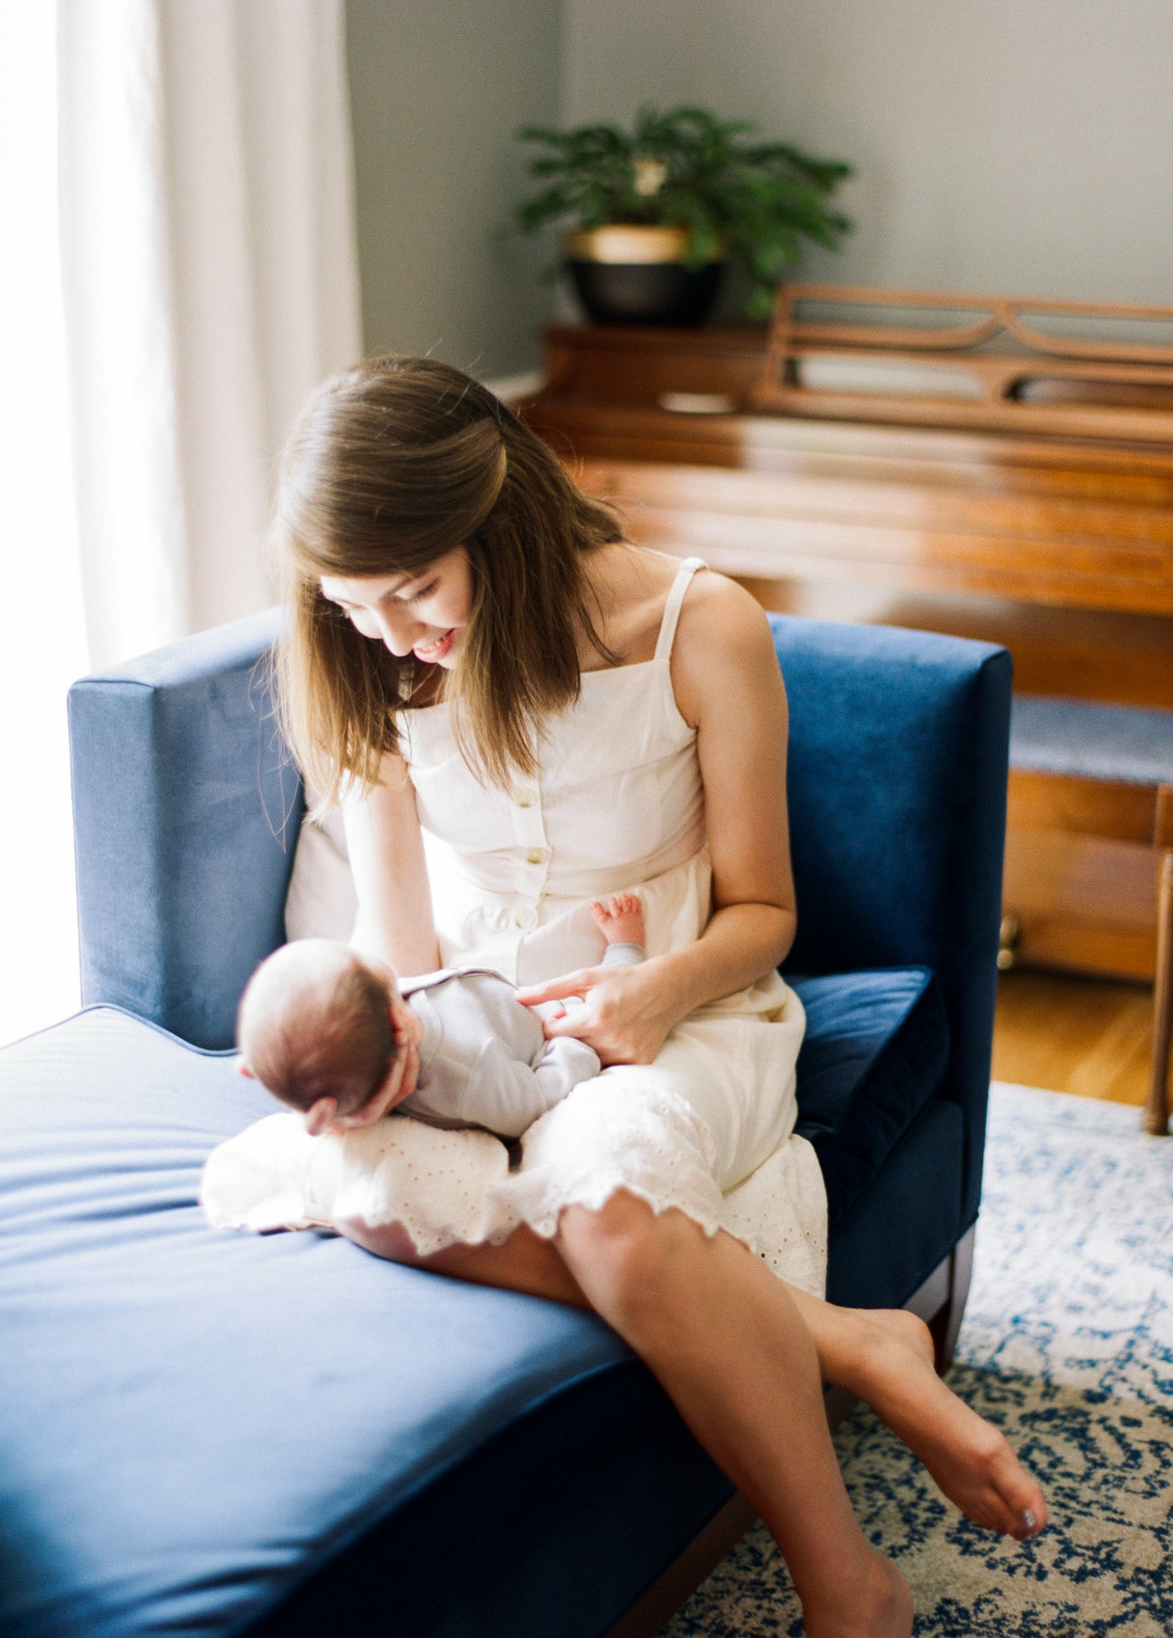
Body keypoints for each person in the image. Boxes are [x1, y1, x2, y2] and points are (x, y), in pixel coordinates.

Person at [268, 355, 1045, 1637]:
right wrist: (379, 1048)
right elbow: (394, 938)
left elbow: (766, 914)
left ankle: (843, 1578)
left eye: (416, 588)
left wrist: (654, 995)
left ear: (500, 511)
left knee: (608, 1206)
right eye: (357, 605)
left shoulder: (699, 625)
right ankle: (853, 1340)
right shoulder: (374, 667)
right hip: (485, 1027)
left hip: (687, 1014)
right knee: (351, 1187)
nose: (397, 633)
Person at [234, 896, 648, 1139]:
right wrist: (566, 1041)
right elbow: (541, 1098)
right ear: (401, 1022)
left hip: (500, 1001)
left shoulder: (378, 1013)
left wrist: (274, 1066)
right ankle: (628, 953)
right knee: (600, 1010)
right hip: (549, 1036)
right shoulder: (467, 1073)